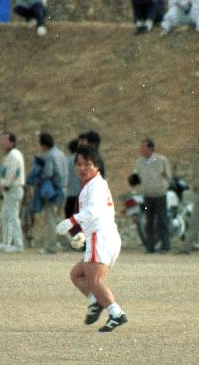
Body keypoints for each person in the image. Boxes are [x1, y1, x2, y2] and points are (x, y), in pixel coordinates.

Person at [56, 145, 128, 333]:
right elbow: (100, 214)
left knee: (94, 281)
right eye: (78, 164)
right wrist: (82, 235)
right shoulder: (93, 185)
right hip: (101, 236)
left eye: (87, 164)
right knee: (77, 275)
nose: (82, 168)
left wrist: (71, 222)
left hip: (101, 237)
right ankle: (96, 302)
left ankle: (116, 313)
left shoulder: (95, 185)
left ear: (98, 166)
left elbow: (93, 211)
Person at [131, 137, 172, 253]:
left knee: (162, 220)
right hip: (147, 196)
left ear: (151, 148)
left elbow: (168, 176)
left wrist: (163, 187)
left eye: (143, 147)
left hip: (160, 195)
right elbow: (137, 177)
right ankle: (150, 247)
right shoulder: (139, 162)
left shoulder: (161, 160)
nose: (141, 149)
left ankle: (165, 246)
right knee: (149, 221)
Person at [37, 132, 68, 254]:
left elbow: (48, 173)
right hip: (64, 188)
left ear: (44, 144)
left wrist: (40, 175)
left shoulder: (48, 155)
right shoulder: (61, 154)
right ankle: (60, 243)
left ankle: (50, 246)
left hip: (53, 190)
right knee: (58, 217)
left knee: (50, 218)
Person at [0, 132, 25, 252]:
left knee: (12, 216)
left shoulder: (13, 155)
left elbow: (12, 173)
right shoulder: (8, 155)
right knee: (5, 216)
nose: (2, 142)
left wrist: (6, 184)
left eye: (5, 140)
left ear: (11, 143)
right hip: (9, 190)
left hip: (14, 189)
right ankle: (6, 242)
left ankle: (18, 244)